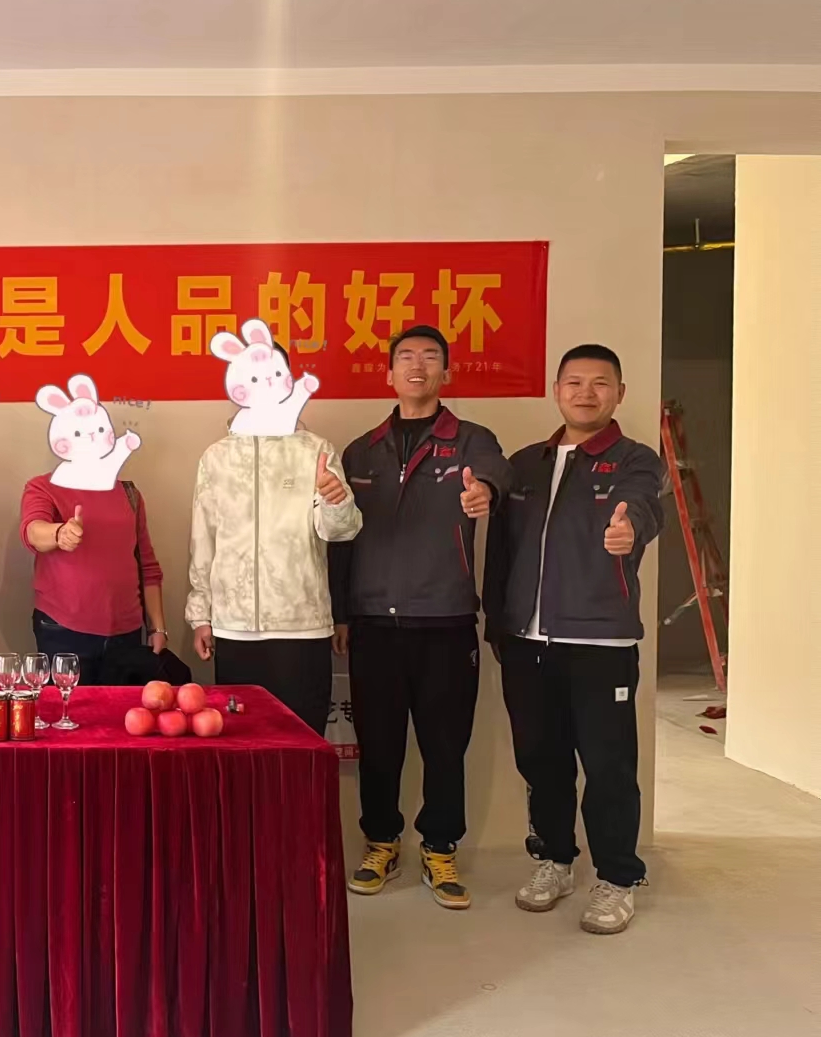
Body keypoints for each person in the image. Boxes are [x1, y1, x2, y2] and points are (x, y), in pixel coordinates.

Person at [328, 325, 513, 910]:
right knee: (379, 745)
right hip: (373, 625)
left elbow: (496, 474)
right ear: (389, 374)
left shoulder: (472, 441)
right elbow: (341, 539)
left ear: (446, 373)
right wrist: (340, 612)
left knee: (444, 745)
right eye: (406, 356)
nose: (418, 365)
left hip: (446, 620)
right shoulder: (361, 451)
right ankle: (381, 843)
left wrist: (484, 493)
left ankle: (439, 847)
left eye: (431, 357)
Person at [485, 344, 666, 935]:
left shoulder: (636, 459)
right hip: (526, 641)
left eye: (600, 383)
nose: (586, 393)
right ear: (557, 390)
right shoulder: (524, 464)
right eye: (574, 382)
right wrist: (499, 625)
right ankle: (555, 860)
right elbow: (501, 552)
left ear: (619, 393)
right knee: (541, 759)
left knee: (608, 765)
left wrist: (630, 529)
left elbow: (644, 507)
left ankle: (617, 876)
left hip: (599, 644)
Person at [186, 360, 361, 735]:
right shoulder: (217, 456)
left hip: (302, 627)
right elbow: (204, 538)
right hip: (233, 628)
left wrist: (336, 500)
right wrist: (201, 614)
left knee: (302, 743)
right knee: (242, 747)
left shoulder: (316, 450)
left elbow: (340, 531)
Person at [20, 478, 168, 684]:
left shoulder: (129, 494)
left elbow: (147, 566)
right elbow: (33, 531)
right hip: (63, 633)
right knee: (67, 704)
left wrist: (157, 628)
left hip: (127, 636)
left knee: (124, 704)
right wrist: (60, 533)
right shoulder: (42, 486)